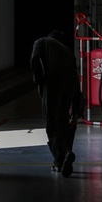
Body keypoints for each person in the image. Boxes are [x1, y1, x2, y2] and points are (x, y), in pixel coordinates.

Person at [30, 31, 82, 177]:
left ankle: (65, 154)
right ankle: (60, 161)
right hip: (70, 84)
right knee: (64, 122)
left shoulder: (41, 40)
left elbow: (34, 59)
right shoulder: (68, 52)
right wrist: (76, 112)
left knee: (51, 123)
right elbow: (77, 84)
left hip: (53, 81)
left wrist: (39, 82)